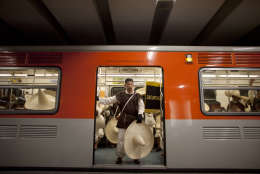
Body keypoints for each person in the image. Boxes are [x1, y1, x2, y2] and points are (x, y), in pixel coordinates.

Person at [97, 78, 144, 164]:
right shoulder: (120, 95)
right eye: (128, 84)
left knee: (135, 139)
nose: (129, 85)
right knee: (121, 139)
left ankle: (135, 157)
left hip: (134, 121)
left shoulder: (138, 96)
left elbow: (141, 106)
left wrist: (140, 114)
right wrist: (99, 99)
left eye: (131, 84)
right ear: (125, 85)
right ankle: (119, 157)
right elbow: (109, 100)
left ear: (133, 85)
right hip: (123, 119)